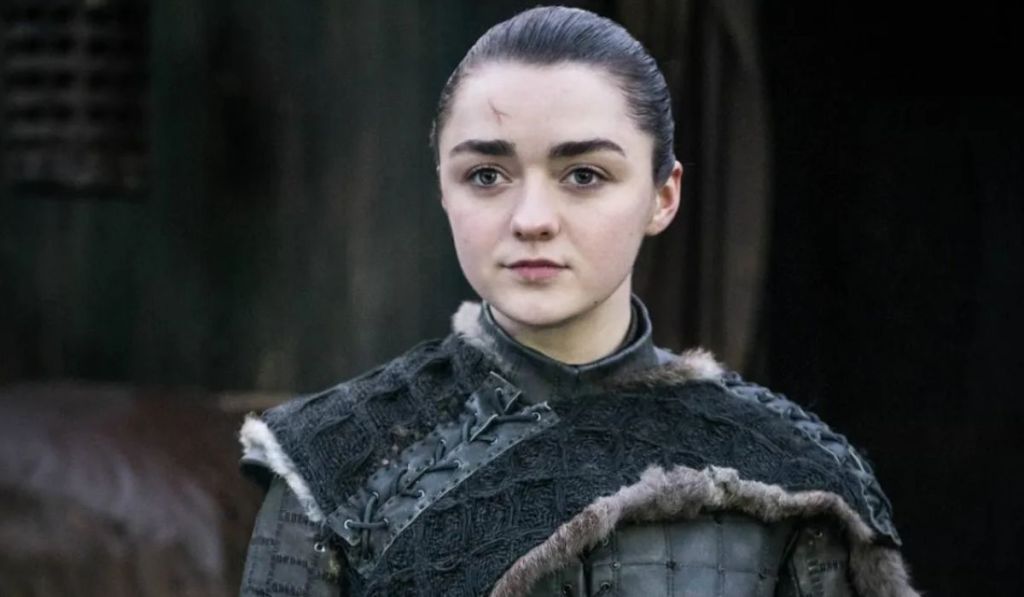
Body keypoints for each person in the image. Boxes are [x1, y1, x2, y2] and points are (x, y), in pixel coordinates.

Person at [237, 6, 918, 596]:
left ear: (663, 196)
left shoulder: (792, 474)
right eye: (487, 175)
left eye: (584, 175)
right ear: (443, 188)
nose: (532, 218)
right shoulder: (333, 464)